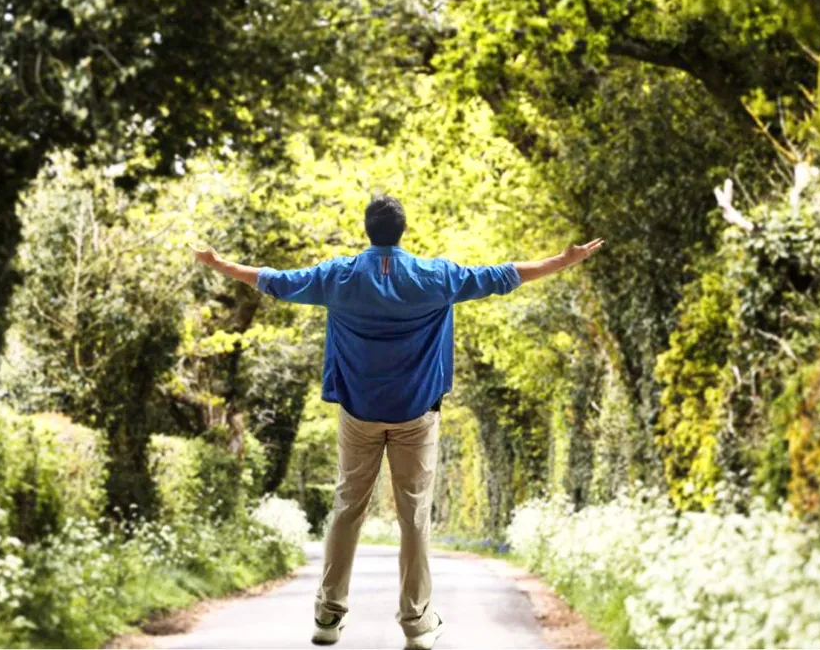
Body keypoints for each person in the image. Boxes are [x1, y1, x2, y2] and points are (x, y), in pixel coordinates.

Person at [191, 194, 603, 650]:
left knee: (347, 509)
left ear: (368, 230)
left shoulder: (338, 276)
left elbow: (277, 282)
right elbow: (504, 276)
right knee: (414, 517)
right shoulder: (436, 277)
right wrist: (563, 261)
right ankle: (417, 624)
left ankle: (328, 616)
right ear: (402, 231)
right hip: (416, 415)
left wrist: (221, 264)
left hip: (358, 414)